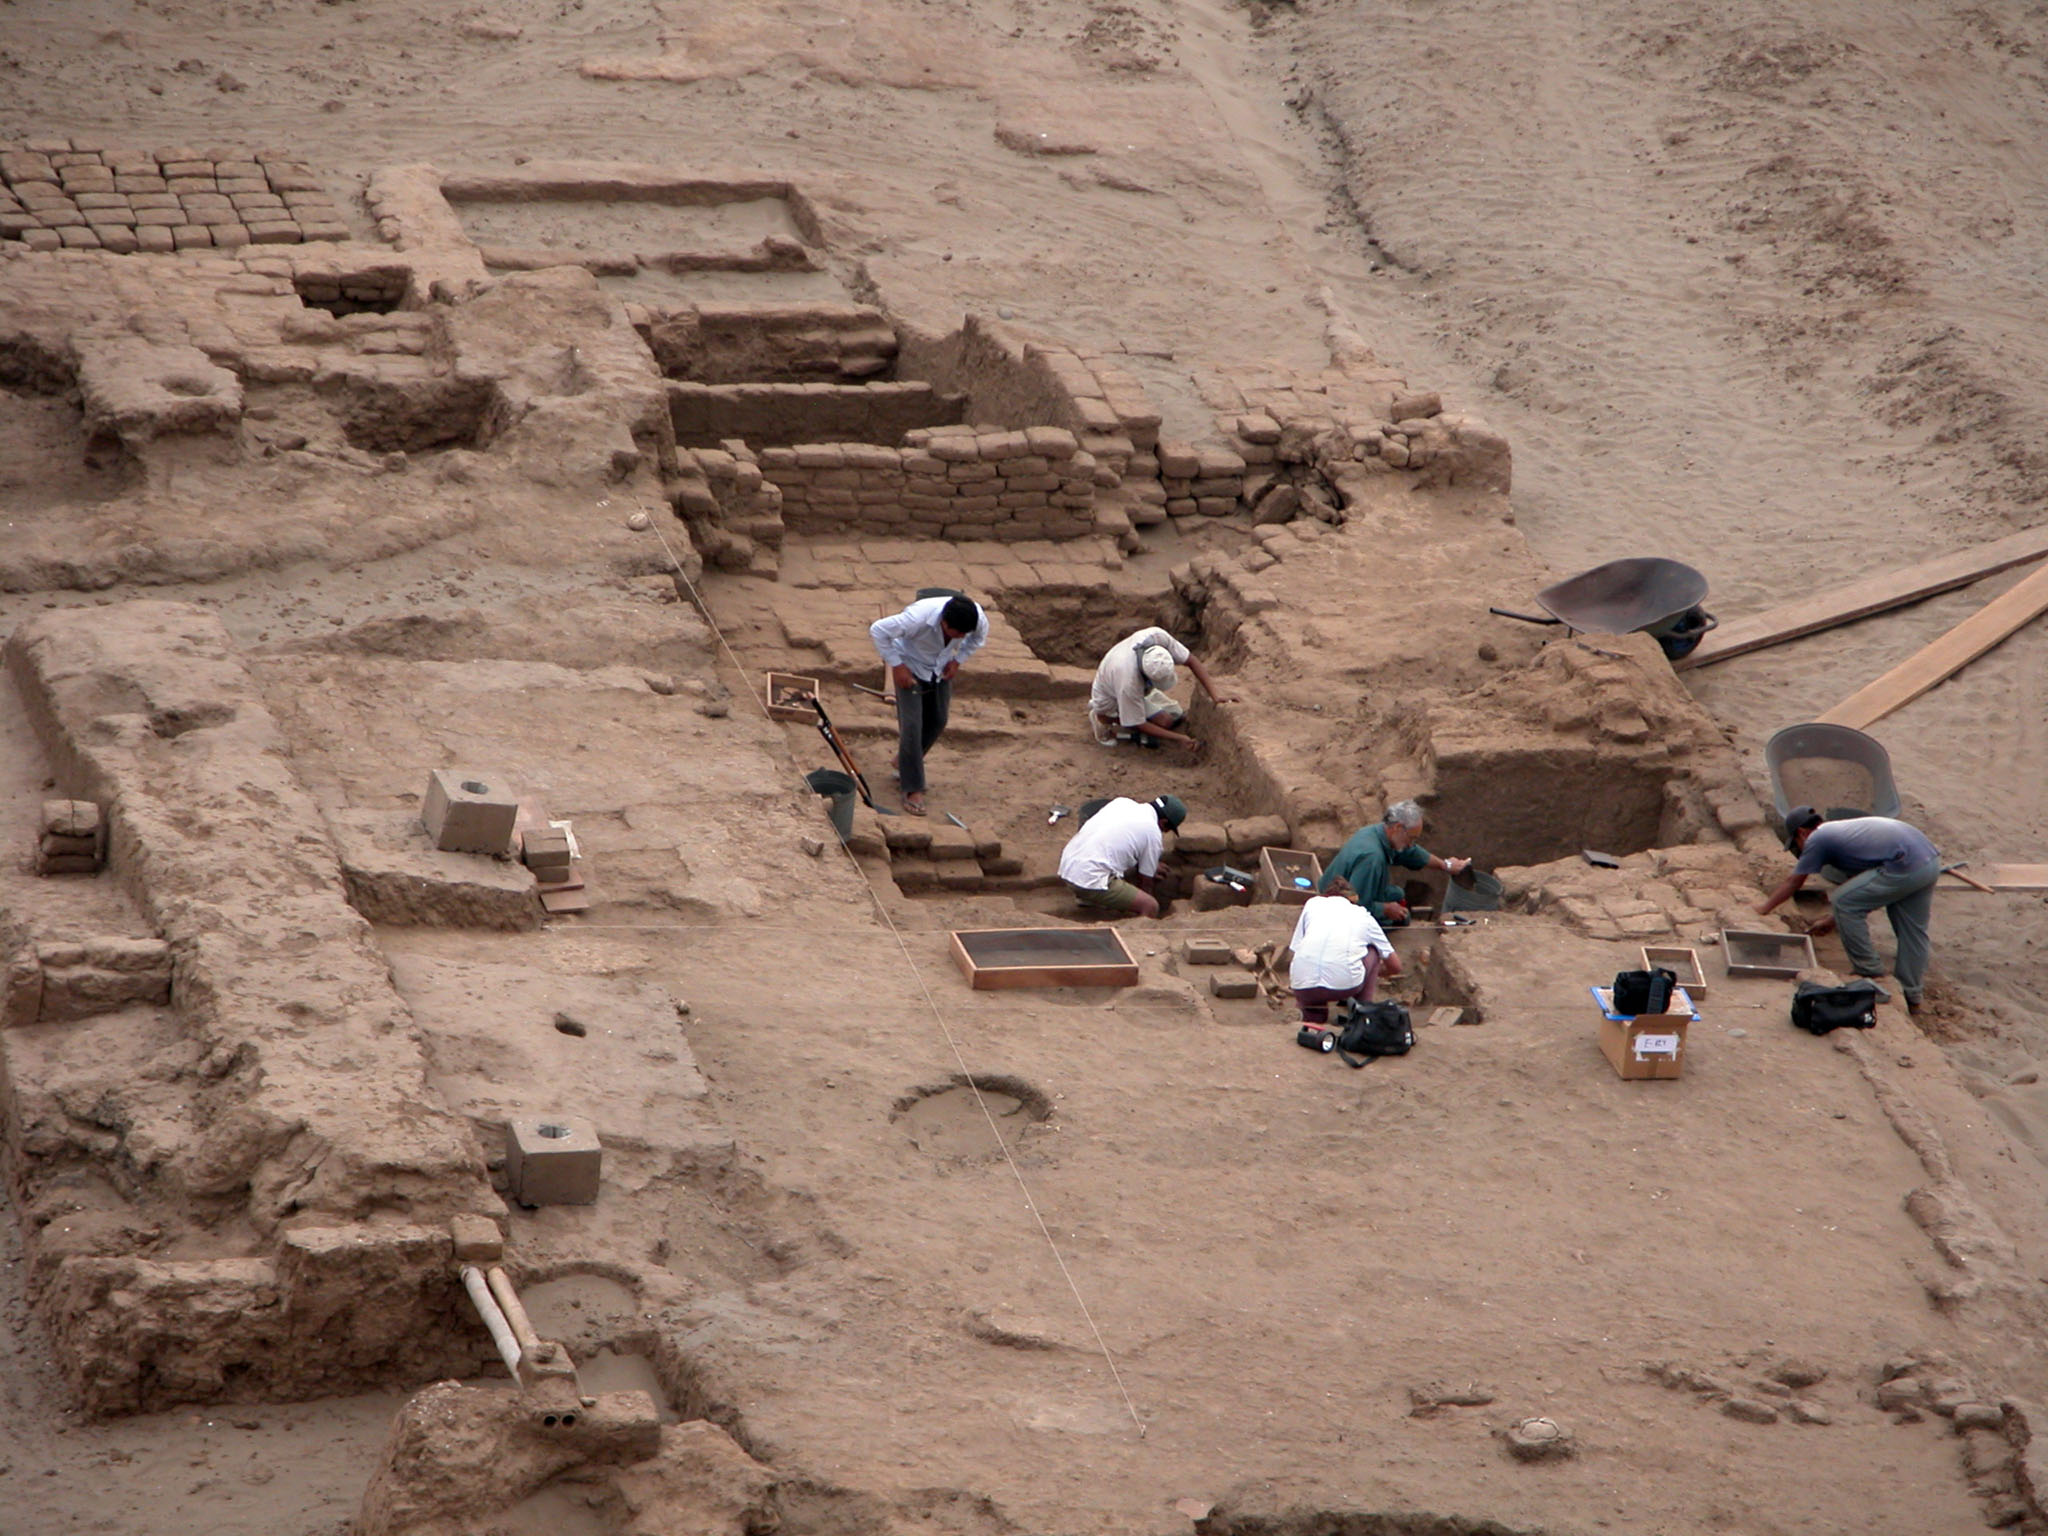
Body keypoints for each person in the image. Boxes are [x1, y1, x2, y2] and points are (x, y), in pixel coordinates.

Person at [1756, 806, 1941, 1013]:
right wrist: (1833, 920)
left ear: (1802, 833)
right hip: (1928, 860)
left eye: (1797, 845)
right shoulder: (1844, 836)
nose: (1800, 850)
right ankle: (1911, 994)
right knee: (1912, 931)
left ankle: (1870, 973)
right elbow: (1865, 893)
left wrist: (1763, 909)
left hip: (1905, 862)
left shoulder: (1817, 838)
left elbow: (1794, 882)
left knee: (1842, 900)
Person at [869, 592, 987, 816]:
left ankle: (905, 760)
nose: (961, 636)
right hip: (910, 664)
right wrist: (896, 665)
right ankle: (912, 788)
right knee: (912, 726)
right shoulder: (916, 619)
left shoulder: (977, 618)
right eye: (957, 633)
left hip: (939, 668)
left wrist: (957, 660)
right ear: (943, 622)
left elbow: (977, 639)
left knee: (939, 720)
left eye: (964, 633)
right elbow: (878, 631)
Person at [1319, 800, 1470, 925]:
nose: (1412, 844)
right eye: (1411, 838)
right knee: (1403, 919)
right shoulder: (1372, 858)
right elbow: (1356, 906)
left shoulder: (1378, 833)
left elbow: (1412, 853)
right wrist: (1384, 909)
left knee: (1397, 894)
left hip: (1351, 891)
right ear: (1398, 828)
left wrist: (1446, 865)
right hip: (1336, 908)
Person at [1087, 625, 1236, 748]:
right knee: (1139, 721)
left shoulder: (1158, 637)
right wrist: (1178, 738)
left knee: (1169, 719)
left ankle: (1145, 700)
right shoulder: (1128, 682)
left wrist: (1215, 695)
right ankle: (1101, 717)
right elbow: (1138, 723)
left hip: (1130, 681)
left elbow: (1191, 660)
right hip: (1109, 695)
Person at [1287, 876, 1402, 1025]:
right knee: (1373, 951)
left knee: (1311, 968)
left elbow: (1296, 948)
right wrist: (1372, 972)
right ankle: (1361, 1012)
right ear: (1353, 900)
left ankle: (1312, 1014)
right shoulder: (1363, 916)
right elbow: (1396, 966)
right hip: (1345, 987)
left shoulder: (1312, 904)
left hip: (1303, 987)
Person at [1057, 794, 1187, 918]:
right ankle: (1136, 934)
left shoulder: (1122, 802)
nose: (1164, 832)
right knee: (1150, 906)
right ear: (1163, 822)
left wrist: (1149, 864)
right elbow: (1146, 881)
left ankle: (1090, 899)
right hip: (1089, 880)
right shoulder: (1153, 831)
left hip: (1067, 867)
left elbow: (1120, 840)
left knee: (1120, 870)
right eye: (1166, 829)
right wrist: (1144, 899)